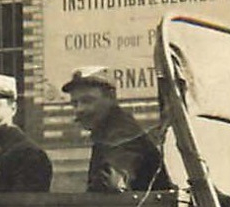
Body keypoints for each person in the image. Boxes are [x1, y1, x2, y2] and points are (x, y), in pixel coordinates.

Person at [62, 65, 166, 193]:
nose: (79, 109)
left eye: (87, 101)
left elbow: (110, 184)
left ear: (111, 97)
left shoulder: (120, 132)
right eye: (75, 103)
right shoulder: (107, 130)